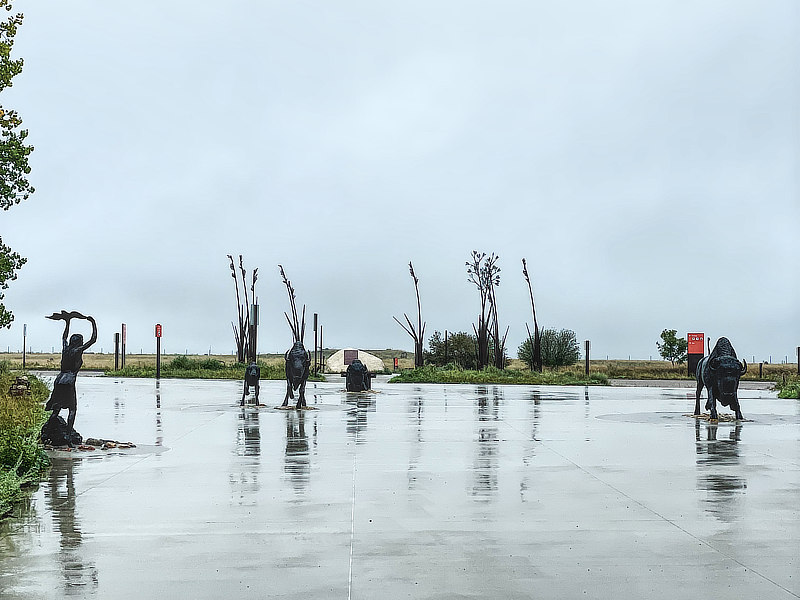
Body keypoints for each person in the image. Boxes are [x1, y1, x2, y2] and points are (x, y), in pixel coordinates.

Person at [45, 311, 97, 430]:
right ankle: (68, 436)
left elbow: (64, 337)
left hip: (59, 379)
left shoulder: (66, 349)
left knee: (56, 407)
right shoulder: (78, 350)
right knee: (72, 409)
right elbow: (93, 339)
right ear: (79, 342)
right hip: (69, 380)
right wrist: (93, 323)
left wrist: (67, 322)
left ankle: (49, 428)